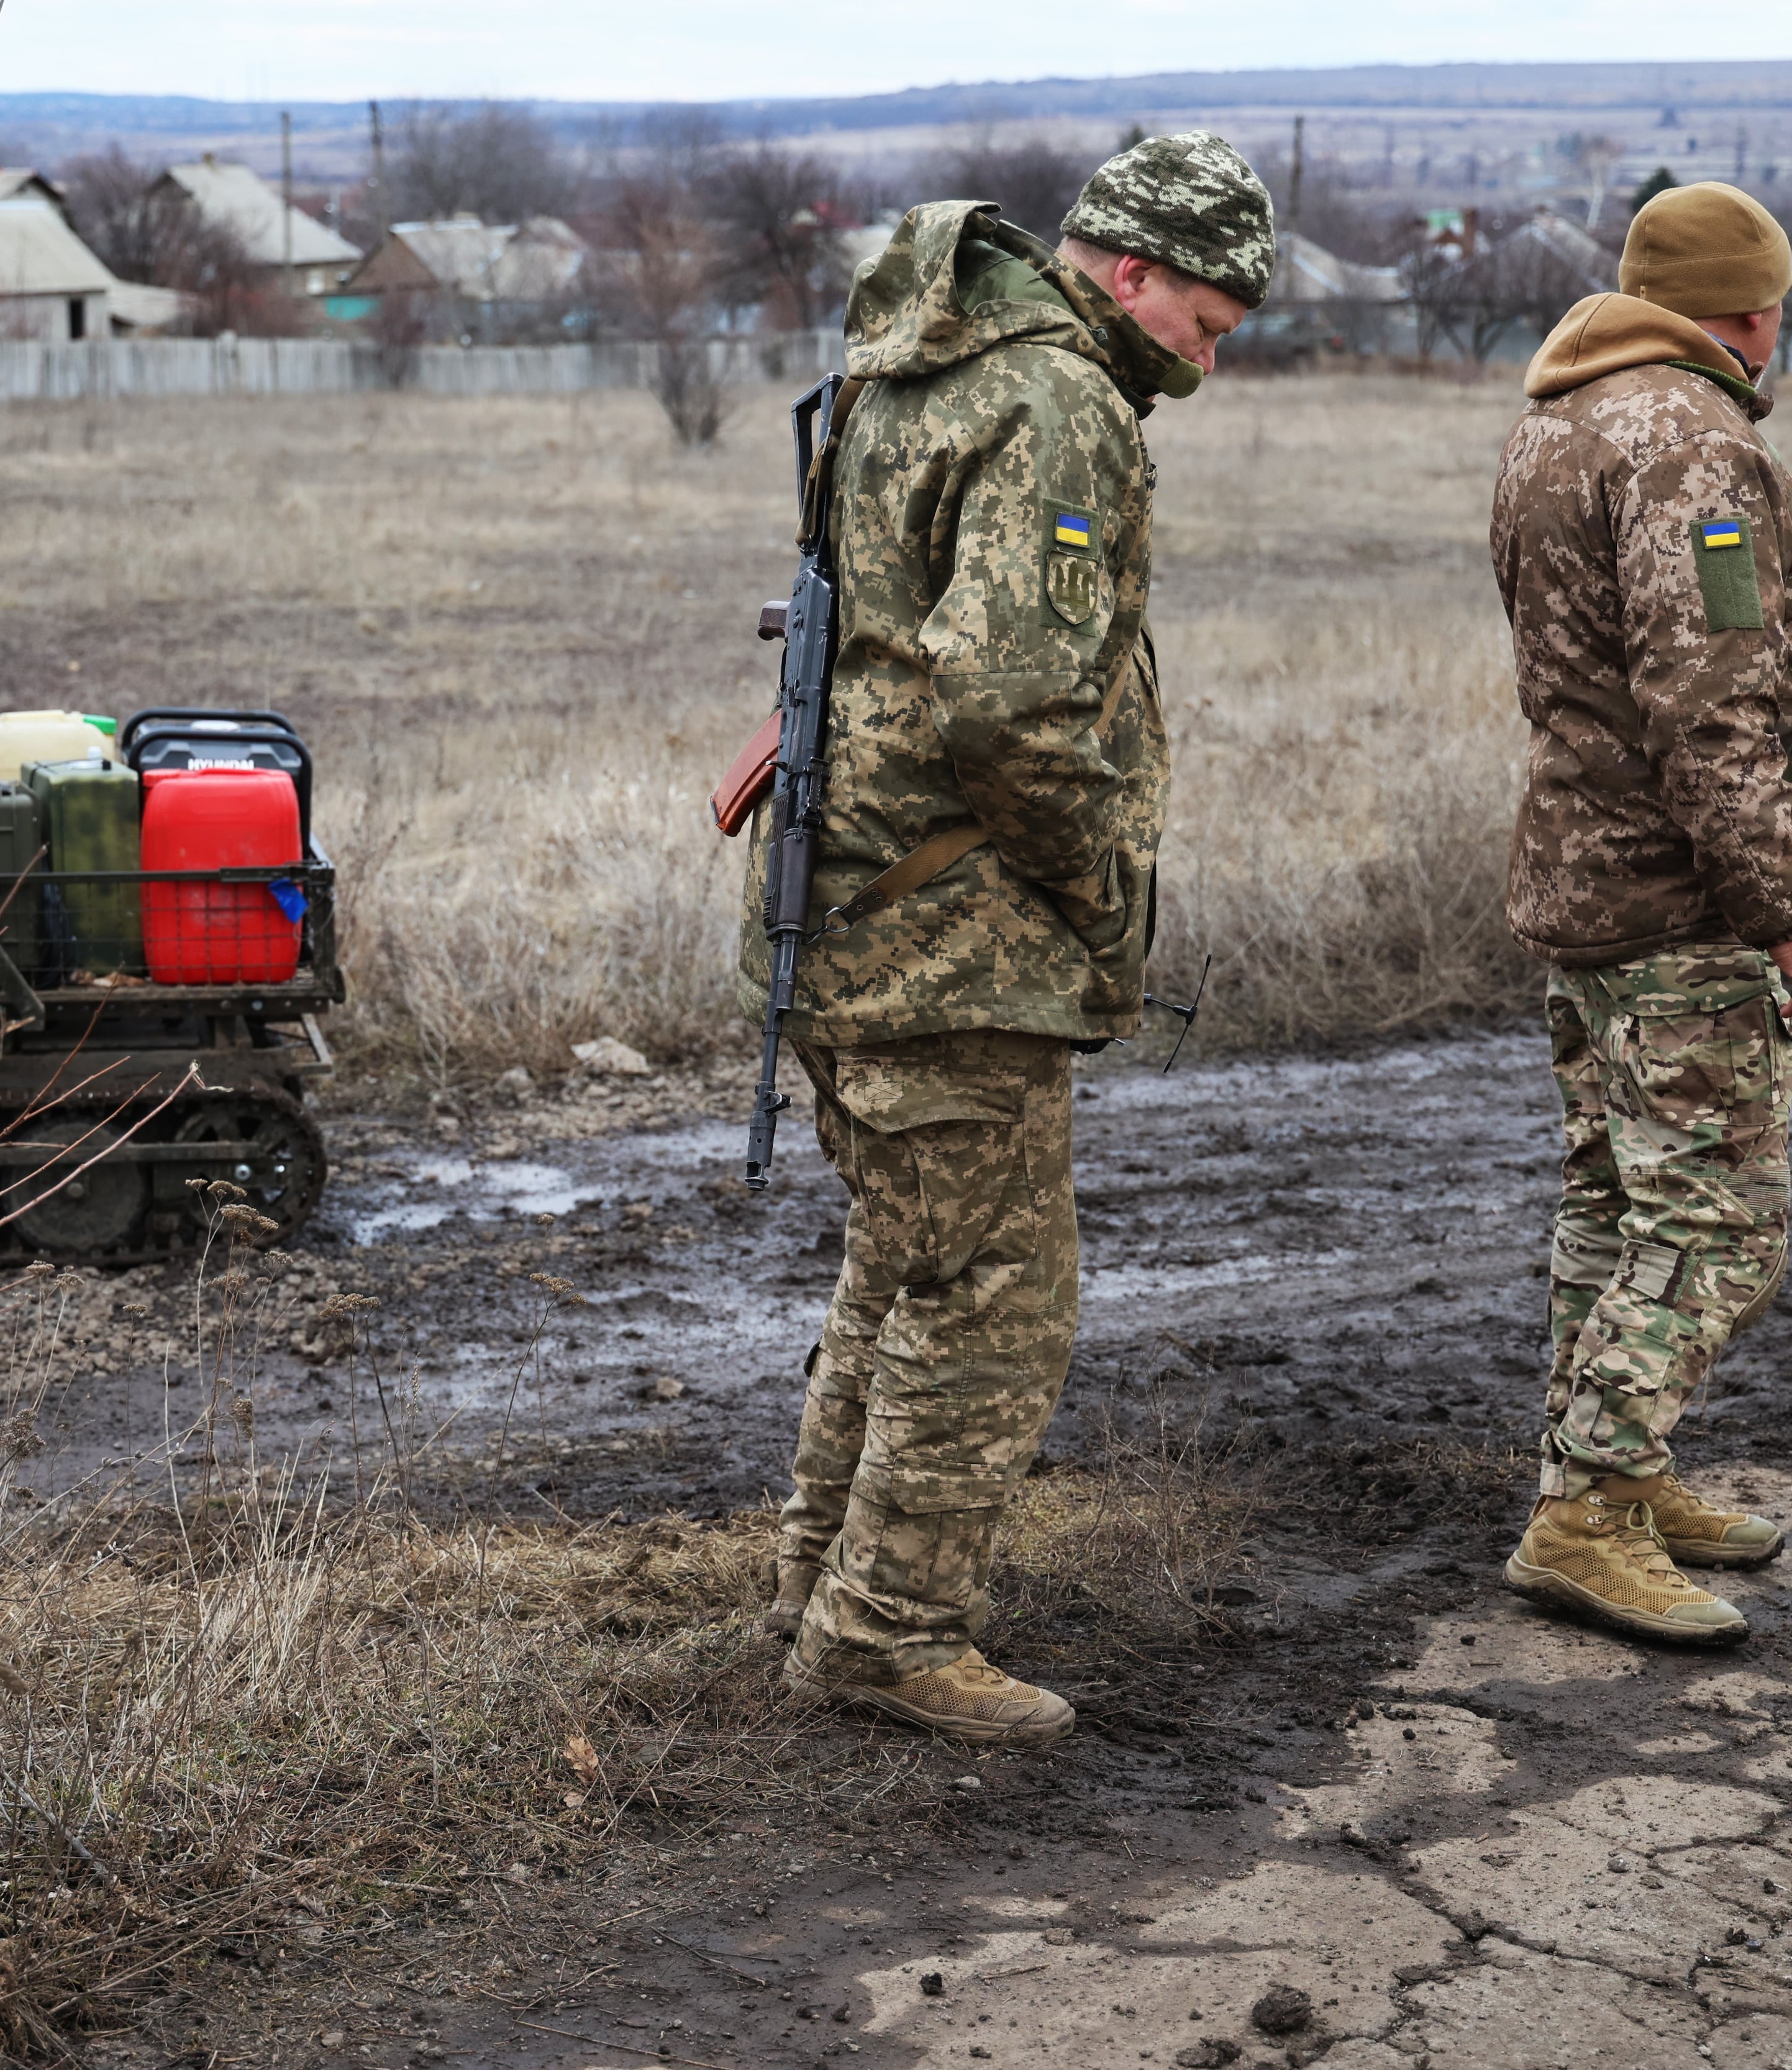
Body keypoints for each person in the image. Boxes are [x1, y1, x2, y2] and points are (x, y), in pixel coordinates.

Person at [742, 135, 1270, 1745]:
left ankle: (826, 1585)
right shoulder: (1057, 403)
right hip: (951, 933)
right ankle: (888, 1630)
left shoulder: (914, 362)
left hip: (856, 902)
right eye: (1209, 307)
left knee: (907, 1263)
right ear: (1128, 268)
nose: (1215, 341)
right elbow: (1010, 701)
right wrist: (1102, 886)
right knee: (997, 1295)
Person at [1488, 181, 1792, 1645]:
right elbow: (1710, 708)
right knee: (1717, 1221)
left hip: (1588, 883)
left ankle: (1617, 1480)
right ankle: (1583, 1511)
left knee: (1615, 1198)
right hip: (1679, 904)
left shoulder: (1557, 422)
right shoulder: (1686, 442)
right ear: (1753, 309)